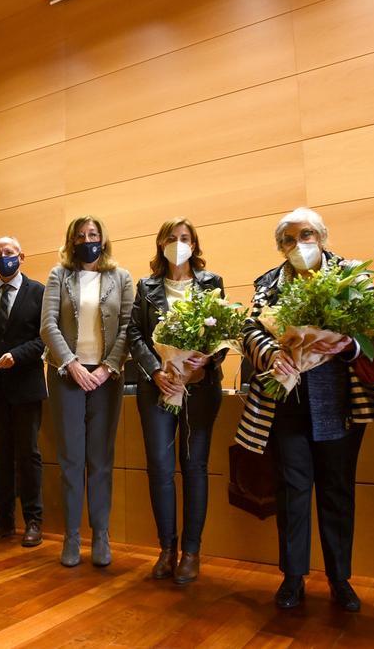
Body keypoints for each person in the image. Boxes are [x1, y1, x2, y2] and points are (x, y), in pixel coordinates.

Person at [236, 207, 374, 612]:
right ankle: (293, 577)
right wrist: (268, 354)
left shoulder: (351, 275)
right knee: (292, 493)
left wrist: (346, 344)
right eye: (290, 239)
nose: (299, 245)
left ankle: (340, 579)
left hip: (340, 402)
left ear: (322, 237)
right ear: (280, 246)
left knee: (337, 492)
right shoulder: (267, 284)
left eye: (307, 235)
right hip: (288, 404)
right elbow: (249, 329)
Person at [126, 218, 225, 584]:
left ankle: (192, 551)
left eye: (185, 238)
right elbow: (135, 333)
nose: (178, 243)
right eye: (172, 237)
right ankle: (167, 549)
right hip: (158, 387)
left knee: (195, 467)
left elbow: (224, 331)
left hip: (200, 388)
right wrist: (155, 371)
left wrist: (209, 358)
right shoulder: (146, 286)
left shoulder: (211, 283)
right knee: (160, 467)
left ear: (195, 245)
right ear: (160, 243)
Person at [40, 215, 133, 567]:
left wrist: (108, 366)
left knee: (100, 461)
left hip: (107, 378)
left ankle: (101, 535)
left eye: (93, 234)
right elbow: (48, 324)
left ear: (103, 239)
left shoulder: (120, 277)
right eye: (80, 235)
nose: (87, 239)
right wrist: (73, 364)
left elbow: (127, 325)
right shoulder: (58, 275)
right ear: (71, 240)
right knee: (71, 461)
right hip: (67, 375)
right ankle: (71, 537)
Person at [0, 236, 47, 547]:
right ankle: (4, 519)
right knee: (0, 456)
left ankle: (33, 520)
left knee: (28, 454)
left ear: (22, 256)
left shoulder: (38, 291)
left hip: (26, 385)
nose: (4, 258)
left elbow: (44, 337)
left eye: (9, 253)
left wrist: (18, 355)